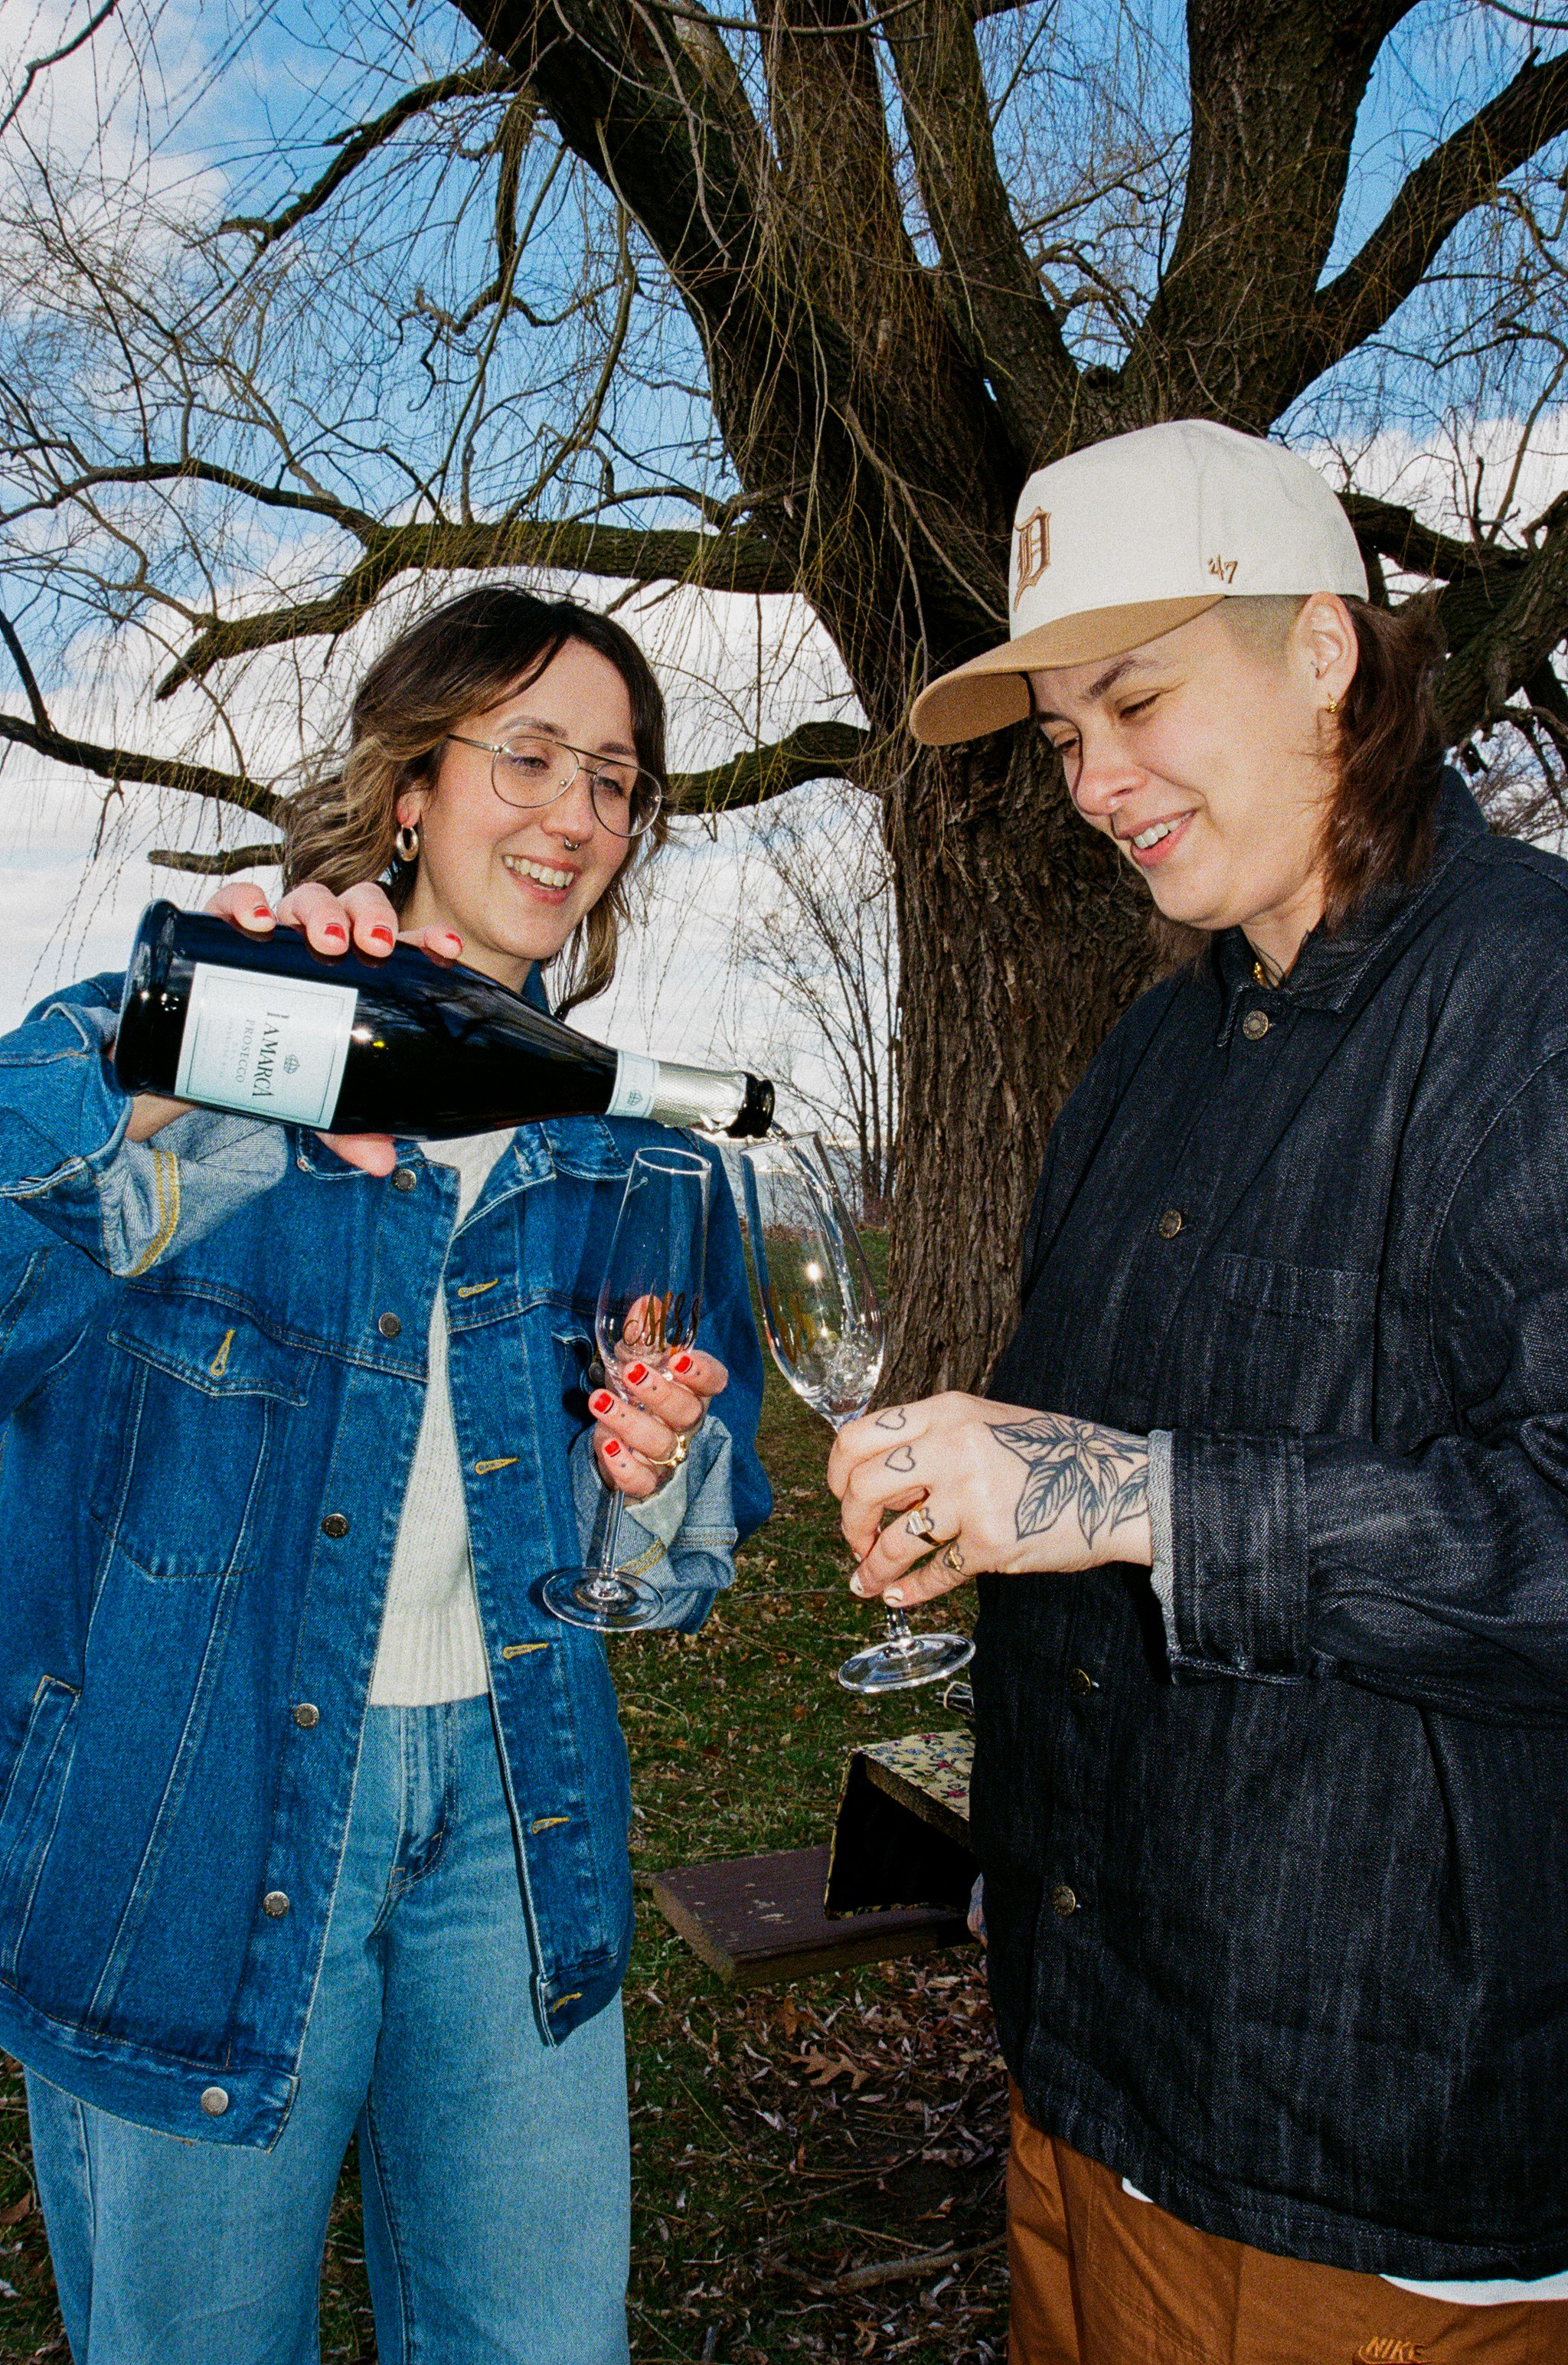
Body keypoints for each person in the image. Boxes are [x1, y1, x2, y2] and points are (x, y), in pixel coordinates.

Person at [828, 420, 1568, 2360]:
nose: (1095, 784)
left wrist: (1121, 1496)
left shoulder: (1530, 1002)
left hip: (1359, 2179)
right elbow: (1082, 1477)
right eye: (1065, 732)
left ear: (1324, 651)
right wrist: (971, 1501)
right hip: (1082, 2092)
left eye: (1139, 700)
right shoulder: (1150, 1052)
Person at [0, 584, 769, 2364]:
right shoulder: (195, 1027)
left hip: (513, 1812)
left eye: (618, 780)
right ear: (412, 786)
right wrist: (157, 1078)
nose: (576, 813)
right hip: (189, 1810)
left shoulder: (632, 1157)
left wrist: (650, 1495)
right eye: (529, 756)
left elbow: (673, 1561)